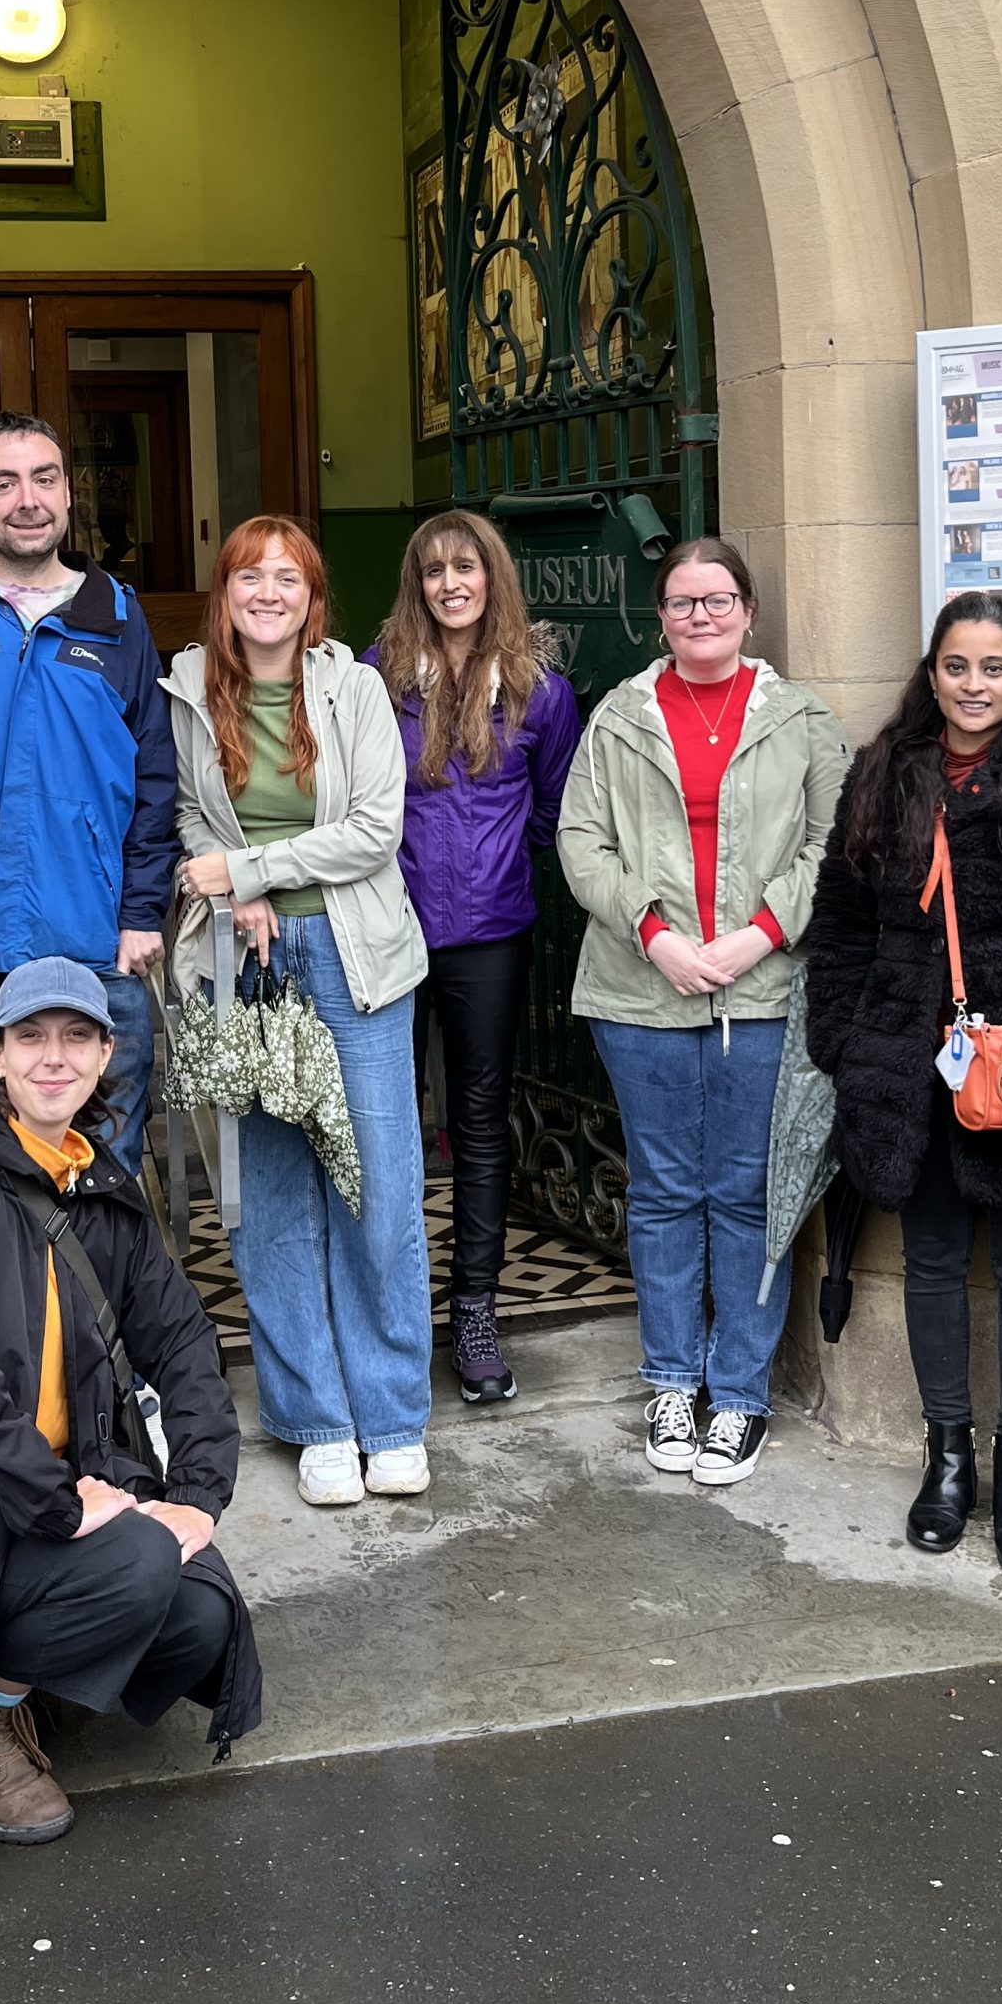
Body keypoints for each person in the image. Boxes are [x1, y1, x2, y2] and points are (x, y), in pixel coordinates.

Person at [0, 959, 260, 1934]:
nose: (54, 1056)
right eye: (31, 1037)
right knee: (143, 1561)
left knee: (200, 1608)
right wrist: (64, 1501)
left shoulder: (101, 1183)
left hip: (63, 1500)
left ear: (107, 1052)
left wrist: (198, 1490)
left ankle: (35, 1669)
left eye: (77, 1037)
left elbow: (184, 1339)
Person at [804, 595, 1002, 1573]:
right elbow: (842, 917)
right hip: (908, 1063)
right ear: (931, 672)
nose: (973, 685)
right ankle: (949, 1457)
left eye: (992, 667)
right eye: (956, 666)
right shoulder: (883, 771)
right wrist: (845, 1041)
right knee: (933, 1265)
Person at [557, 536, 849, 1489]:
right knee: (666, 1191)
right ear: (662, 617)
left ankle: (741, 1393)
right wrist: (656, 935)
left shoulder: (802, 719)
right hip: (643, 992)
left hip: (761, 992)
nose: (701, 615)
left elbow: (832, 843)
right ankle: (673, 1381)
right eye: (682, 602)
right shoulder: (619, 716)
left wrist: (760, 933)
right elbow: (579, 839)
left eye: (717, 599)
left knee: (749, 1194)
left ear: (748, 610)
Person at [164, 519, 434, 1506]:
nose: (267, 590)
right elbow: (187, 817)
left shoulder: (353, 686)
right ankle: (315, 1417)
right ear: (225, 588)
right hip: (249, 961)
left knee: (377, 1185)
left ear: (312, 593)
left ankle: (393, 1413)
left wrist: (254, 869)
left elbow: (372, 830)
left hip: (355, 957)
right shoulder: (186, 688)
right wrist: (235, 894)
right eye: (249, 574)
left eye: (288, 575)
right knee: (274, 1196)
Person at [0, 412, 178, 1175]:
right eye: (3, 482)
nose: (27, 499)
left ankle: (94, 1304)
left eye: (43, 478)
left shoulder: (115, 615)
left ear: (68, 492)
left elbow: (154, 773)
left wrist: (143, 913)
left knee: (104, 1170)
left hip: (96, 948)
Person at [369, 511, 580, 1406]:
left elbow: (554, 809)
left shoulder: (541, 688)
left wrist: (492, 869)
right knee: (386, 1129)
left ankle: (476, 1312)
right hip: (389, 928)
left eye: (466, 567)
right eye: (432, 571)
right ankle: (391, 1314)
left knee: (481, 1127)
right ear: (416, 585)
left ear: (492, 576)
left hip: (491, 932)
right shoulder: (378, 678)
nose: (450, 583)